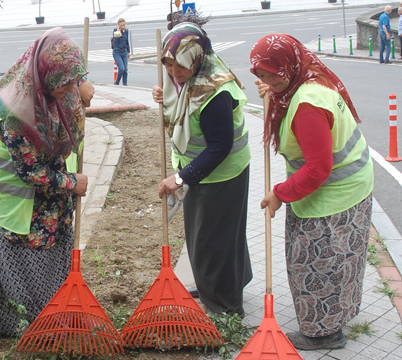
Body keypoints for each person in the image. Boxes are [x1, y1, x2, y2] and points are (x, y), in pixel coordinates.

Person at [250, 34, 374, 350]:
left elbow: (318, 168)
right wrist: (273, 89)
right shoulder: (305, 79)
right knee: (335, 262)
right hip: (344, 186)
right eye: (260, 75)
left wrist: (280, 192)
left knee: (318, 262)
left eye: (270, 73)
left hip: (337, 194)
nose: (265, 80)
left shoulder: (307, 106)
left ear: (288, 66)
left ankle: (324, 334)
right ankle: (334, 320)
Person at [0, 27, 90, 340]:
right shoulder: (17, 113)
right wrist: (71, 182)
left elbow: (68, 77)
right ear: (46, 75)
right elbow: (32, 173)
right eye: (63, 84)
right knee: (30, 266)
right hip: (10, 198)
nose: (69, 91)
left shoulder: (47, 83)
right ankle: (32, 324)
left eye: (71, 82)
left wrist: (81, 83)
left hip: (46, 196)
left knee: (56, 252)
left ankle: (56, 311)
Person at [152, 20, 252, 317]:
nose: (174, 73)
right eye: (168, 65)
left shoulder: (215, 92)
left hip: (222, 175)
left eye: (179, 66)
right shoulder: (190, 75)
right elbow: (181, 102)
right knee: (209, 235)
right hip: (200, 172)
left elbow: (219, 147)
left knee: (214, 240)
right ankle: (219, 283)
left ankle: (226, 305)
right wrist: (164, 95)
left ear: (196, 57)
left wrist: (181, 177)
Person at [111, 18, 130, 86]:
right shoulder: (115, 31)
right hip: (117, 52)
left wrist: (128, 51)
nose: (123, 27)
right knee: (121, 68)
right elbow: (116, 40)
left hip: (124, 51)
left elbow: (127, 41)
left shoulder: (126, 31)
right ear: (118, 25)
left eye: (124, 25)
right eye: (121, 25)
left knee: (125, 70)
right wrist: (119, 32)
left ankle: (125, 84)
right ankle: (117, 82)